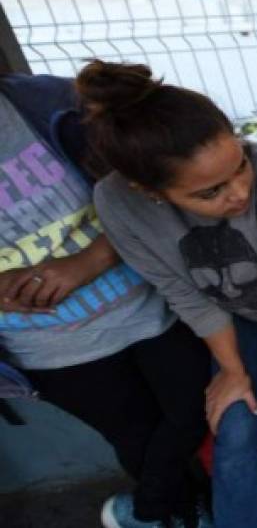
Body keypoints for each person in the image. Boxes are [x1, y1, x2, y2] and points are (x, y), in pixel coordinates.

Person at [83, 61, 257, 528]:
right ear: (149, 191)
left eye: (241, 164)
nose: (239, 192)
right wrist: (232, 371)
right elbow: (184, 293)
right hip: (234, 309)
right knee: (234, 422)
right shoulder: (116, 204)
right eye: (211, 192)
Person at [0, 72, 210, 528]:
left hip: (150, 303)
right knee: (135, 436)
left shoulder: (48, 103)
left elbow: (156, 184)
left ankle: (150, 512)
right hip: (52, 348)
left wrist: (92, 259)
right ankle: (177, 512)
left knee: (193, 410)